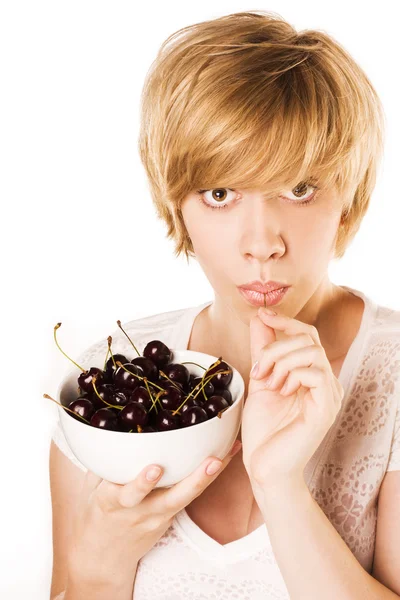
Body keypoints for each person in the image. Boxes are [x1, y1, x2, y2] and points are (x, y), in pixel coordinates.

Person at [49, 10, 400, 600]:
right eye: (220, 194)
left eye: (299, 189)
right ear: (176, 202)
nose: (263, 244)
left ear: (349, 196)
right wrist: (97, 570)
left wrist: (281, 486)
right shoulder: (109, 387)